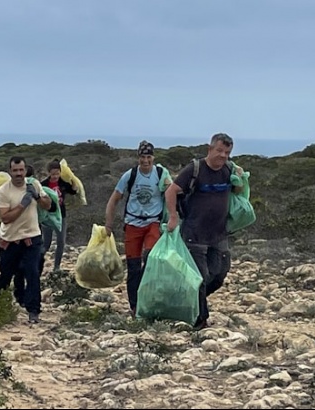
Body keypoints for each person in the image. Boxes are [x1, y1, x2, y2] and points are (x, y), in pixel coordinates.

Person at [165, 132, 243, 330]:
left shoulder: (228, 170)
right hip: (194, 234)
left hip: (218, 234)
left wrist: (240, 180)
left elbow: (237, 192)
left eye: (227, 152)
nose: (223, 155)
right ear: (210, 149)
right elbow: (171, 191)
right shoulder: (195, 169)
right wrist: (173, 217)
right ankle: (200, 320)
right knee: (199, 277)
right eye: (219, 151)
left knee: (218, 274)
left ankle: (187, 301)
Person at [104, 140, 170, 318]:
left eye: (148, 157)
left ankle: (149, 299)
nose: (145, 161)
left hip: (153, 223)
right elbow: (114, 199)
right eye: (142, 157)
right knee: (133, 268)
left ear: (153, 158)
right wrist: (108, 225)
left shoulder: (161, 174)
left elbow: (171, 194)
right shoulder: (130, 175)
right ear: (138, 158)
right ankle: (135, 306)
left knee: (150, 258)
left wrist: (173, 219)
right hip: (133, 223)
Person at [0, 156, 54, 324]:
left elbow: (48, 205)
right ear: (10, 171)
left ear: (25, 170)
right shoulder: (3, 191)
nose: (19, 174)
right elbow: (5, 218)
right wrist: (22, 205)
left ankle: (33, 310)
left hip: (31, 239)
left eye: (21, 170)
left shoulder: (33, 184)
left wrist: (38, 197)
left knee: (33, 273)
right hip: (10, 241)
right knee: (6, 275)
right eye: (15, 171)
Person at [40, 159, 78, 272]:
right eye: (53, 174)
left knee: (61, 241)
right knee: (46, 243)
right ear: (49, 173)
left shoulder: (62, 183)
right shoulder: (43, 184)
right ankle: (37, 262)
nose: (55, 176)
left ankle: (57, 267)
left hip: (61, 215)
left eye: (57, 173)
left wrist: (73, 180)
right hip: (47, 217)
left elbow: (73, 191)